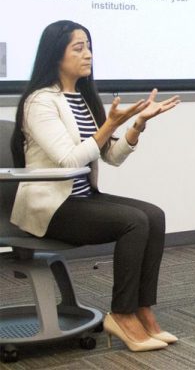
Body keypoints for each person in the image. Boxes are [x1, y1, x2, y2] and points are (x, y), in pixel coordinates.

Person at [10, 20, 180, 352]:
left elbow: (111, 156)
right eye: (78, 48)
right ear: (55, 55)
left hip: (82, 198)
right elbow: (68, 161)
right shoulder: (40, 102)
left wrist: (136, 126)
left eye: (89, 47)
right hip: (52, 205)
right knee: (134, 221)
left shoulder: (84, 98)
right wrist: (108, 127)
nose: (88, 55)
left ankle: (142, 310)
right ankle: (120, 314)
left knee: (154, 216)